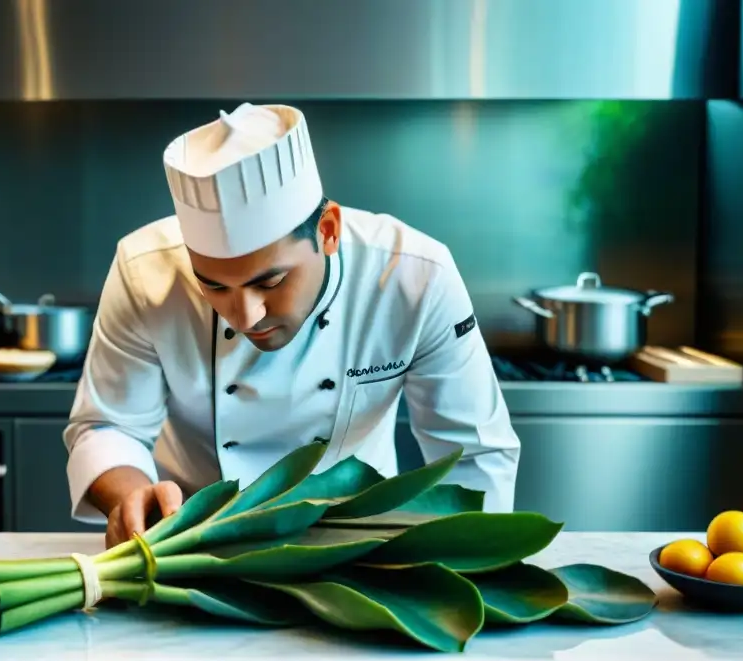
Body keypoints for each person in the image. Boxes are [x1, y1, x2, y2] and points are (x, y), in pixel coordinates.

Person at [64, 103, 520, 548]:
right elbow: (107, 426)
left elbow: (473, 451)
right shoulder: (145, 272)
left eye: (271, 281)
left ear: (328, 230)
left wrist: (476, 565)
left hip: (356, 551)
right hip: (190, 548)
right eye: (214, 287)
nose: (245, 317)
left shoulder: (416, 277)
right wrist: (131, 497)